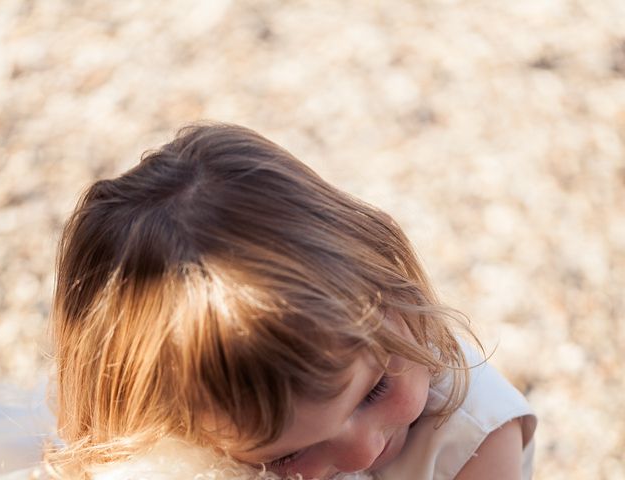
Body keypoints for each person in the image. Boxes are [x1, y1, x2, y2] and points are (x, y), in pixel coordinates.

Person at [35, 122, 535, 479]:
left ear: (393, 291)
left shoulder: (473, 440)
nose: (362, 452)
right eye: (286, 458)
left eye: (375, 391)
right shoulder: (173, 443)